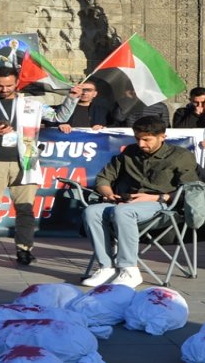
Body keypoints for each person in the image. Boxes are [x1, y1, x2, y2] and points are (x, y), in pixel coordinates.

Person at [0, 67, 76, 265]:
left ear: (17, 83)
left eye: (9, 85)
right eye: (0, 86)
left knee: (25, 209)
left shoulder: (33, 105)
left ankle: (24, 250)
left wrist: (72, 99)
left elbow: (59, 118)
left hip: (25, 162)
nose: (4, 89)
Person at [81, 116, 198, 288]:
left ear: (162, 137)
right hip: (126, 202)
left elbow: (191, 189)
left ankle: (129, 269)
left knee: (122, 212)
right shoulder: (129, 152)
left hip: (162, 206)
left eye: (146, 139)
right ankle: (106, 267)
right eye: (137, 139)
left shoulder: (181, 156)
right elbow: (104, 177)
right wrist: (107, 193)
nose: (141, 144)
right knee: (92, 211)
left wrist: (157, 197)